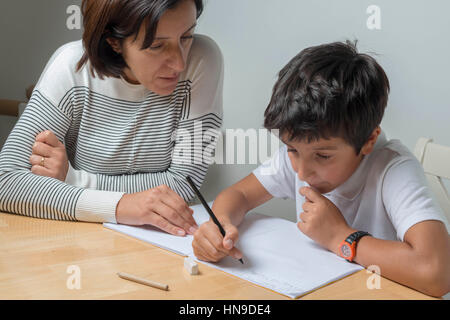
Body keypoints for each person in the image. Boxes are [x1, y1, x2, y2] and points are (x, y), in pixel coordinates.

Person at [191, 41, 450, 297]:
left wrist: (341, 237)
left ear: (368, 141)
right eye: (291, 150)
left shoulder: (393, 169)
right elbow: (240, 195)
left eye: (323, 156)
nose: (302, 173)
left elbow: (437, 273)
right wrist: (221, 224)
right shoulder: (302, 151)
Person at [0, 0, 224, 237]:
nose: (179, 62)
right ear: (114, 42)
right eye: (157, 46)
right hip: (75, 236)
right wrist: (123, 205)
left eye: (186, 37)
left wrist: (72, 178)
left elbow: (183, 185)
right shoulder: (71, 66)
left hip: (156, 239)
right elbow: (6, 181)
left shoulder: (202, 59)